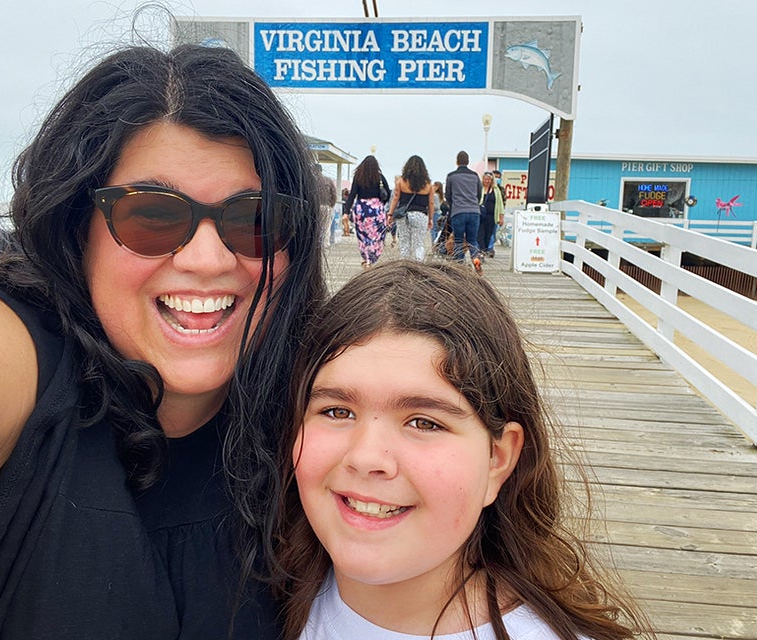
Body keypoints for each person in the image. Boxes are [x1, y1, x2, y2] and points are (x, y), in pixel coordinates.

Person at [0, 44, 326, 639]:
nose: (207, 260)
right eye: (153, 216)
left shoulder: (316, 411)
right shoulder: (1, 343)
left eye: (253, 219)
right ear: (78, 230)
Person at [276, 261, 652, 640]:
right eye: (337, 411)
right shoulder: (261, 599)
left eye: (424, 423)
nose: (366, 457)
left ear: (497, 460)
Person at [344, 155, 392, 268]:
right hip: (376, 210)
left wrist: (346, 212)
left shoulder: (358, 177)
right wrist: (381, 204)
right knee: (377, 235)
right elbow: (388, 193)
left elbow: (352, 195)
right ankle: (373, 258)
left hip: (361, 209)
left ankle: (366, 258)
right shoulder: (380, 177)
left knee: (363, 235)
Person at [386, 155, 434, 262]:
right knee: (419, 244)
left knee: (404, 243)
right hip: (421, 215)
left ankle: (404, 265)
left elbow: (395, 198)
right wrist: (430, 218)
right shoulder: (428, 185)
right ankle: (418, 265)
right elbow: (431, 203)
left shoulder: (401, 182)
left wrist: (390, 214)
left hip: (404, 215)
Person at [444, 151, 483, 272]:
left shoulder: (451, 176)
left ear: (456, 161)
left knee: (459, 240)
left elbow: (448, 195)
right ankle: (476, 261)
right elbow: (479, 193)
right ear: (468, 161)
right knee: (473, 240)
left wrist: (453, 206)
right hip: (474, 211)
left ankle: (460, 268)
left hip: (458, 211)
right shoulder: (475, 176)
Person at [480, 171, 504, 258]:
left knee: (490, 234)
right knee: (480, 234)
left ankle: (488, 249)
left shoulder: (496, 190)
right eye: (485, 179)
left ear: (491, 180)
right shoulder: (480, 189)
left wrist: (501, 217)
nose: (487, 181)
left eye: (489, 179)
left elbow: (500, 204)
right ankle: (481, 250)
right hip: (480, 216)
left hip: (492, 216)